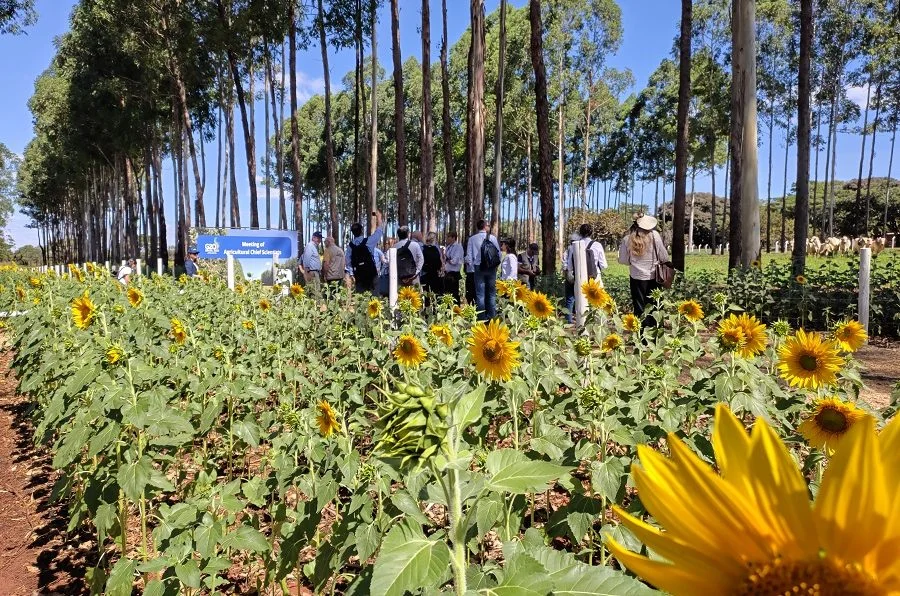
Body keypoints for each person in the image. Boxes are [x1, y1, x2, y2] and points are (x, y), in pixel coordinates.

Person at [619, 213, 668, 320]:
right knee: (655, 307)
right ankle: (656, 332)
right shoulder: (655, 235)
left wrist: (633, 262)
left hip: (636, 277)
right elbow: (664, 257)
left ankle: (641, 333)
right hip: (654, 276)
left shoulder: (627, 239)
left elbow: (623, 260)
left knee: (639, 307)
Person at [465, 219, 501, 321]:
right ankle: (492, 317)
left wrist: (472, 268)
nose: (489, 227)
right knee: (491, 293)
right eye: (488, 225)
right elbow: (498, 254)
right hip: (491, 268)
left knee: (480, 294)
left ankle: (481, 318)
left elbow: (469, 256)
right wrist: (495, 266)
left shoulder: (472, 239)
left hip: (478, 268)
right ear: (485, 227)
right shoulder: (492, 238)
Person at [346, 210, 385, 293]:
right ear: (361, 231)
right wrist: (379, 218)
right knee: (375, 299)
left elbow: (348, 262)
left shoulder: (350, 246)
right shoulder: (368, 241)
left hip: (359, 276)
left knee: (361, 299)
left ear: (352, 233)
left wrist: (352, 273)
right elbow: (379, 231)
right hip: (371, 275)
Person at [562, 233, 580, 323]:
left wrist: (566, 274)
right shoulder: (580, 249)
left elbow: (564, 264)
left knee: (569, 298)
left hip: (569, 274)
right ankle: (579, 318)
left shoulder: (567, 250)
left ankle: (569, 320)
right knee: (579, 297)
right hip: (579, 275)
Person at [443, 231, 464, 303]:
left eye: (448, 237)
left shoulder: (458, 247)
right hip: (447, 272)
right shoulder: (448, 247)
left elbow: (454, 261)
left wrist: (447, 259)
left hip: (454, 273)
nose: (446, 239)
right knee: (447, 293)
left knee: (454, 293)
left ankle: (456, 310)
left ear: (453, 238)